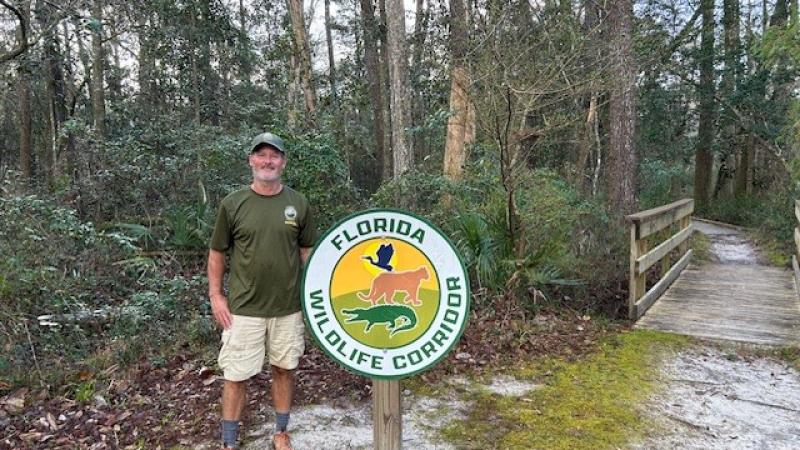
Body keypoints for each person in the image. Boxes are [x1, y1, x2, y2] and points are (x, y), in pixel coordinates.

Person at [207, 132, 316, 450]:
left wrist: (315, 296)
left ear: (283, 162)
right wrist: (216, 295)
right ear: (251, 161)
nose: (268, 161)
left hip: (288, 307)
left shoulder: (298, 203)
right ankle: (229, 442)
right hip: (243, 309)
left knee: (284, 369)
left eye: (274, 155)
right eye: (262, 155)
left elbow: (307, 252)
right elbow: (217, 252)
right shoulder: (233, 204)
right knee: (236, 375)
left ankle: (281, 432)